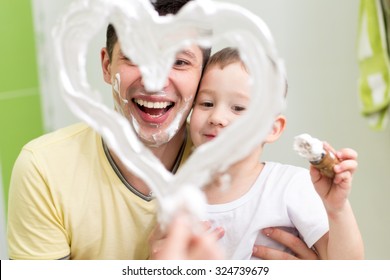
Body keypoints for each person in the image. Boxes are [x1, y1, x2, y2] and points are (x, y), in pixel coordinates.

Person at [7, 0, 320, 260]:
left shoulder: (231, 163)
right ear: (106, 66)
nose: (155, 81)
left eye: (180, 62)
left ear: (202, 76)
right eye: (135, 57)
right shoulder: (45, 169)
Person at [188, 47, 364, 259]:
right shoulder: (178, 195)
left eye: (238, 108)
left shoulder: (289, 186)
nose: (216, 117)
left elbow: (348, 267)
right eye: (206, 103)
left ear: (272, 129)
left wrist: (337, 209)